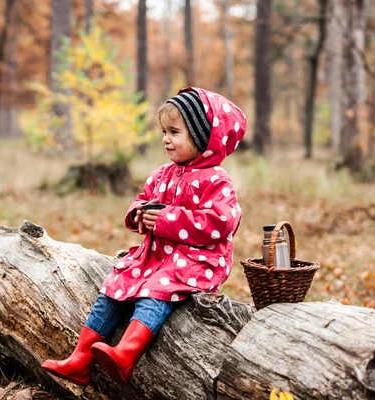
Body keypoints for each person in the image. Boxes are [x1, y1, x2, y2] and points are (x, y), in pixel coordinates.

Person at [41, 87, 247, 385]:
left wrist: (166, 219)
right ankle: (81, 359)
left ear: (202, 137)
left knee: (154, 289)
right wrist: (139, 213)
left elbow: (220, 223)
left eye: (174, 131)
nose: (165, 138)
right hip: (158, 254)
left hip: (196, 260)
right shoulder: (162, 173)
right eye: (164, 131)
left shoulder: (216, 179)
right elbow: (143, 198)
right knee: (115, 284)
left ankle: (127, 353)